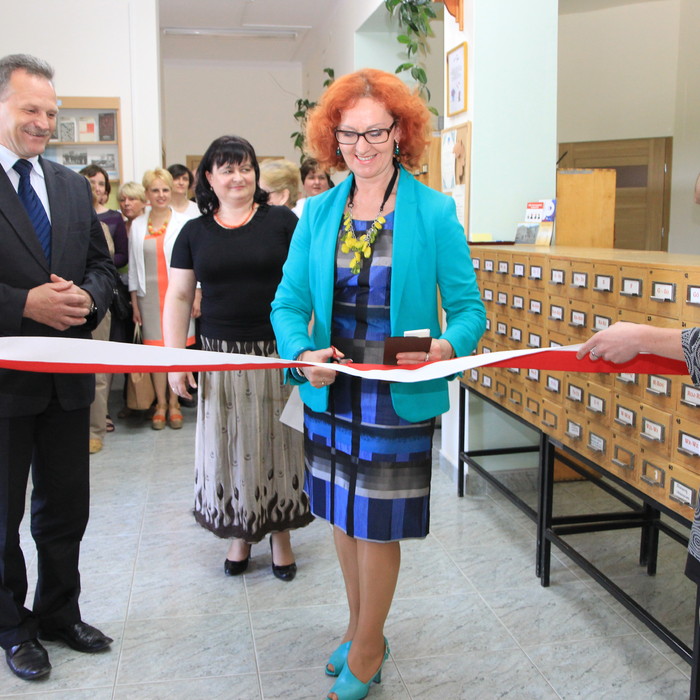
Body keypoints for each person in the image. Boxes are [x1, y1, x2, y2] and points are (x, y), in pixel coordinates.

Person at [271, 68, 485, 700]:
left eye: (376, 132)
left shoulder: (434, 210)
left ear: (401, 133)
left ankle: (368, 648)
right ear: (332, 138)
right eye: (350, 134)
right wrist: (300, 353)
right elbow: (287, 302)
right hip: (331, 387)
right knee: (341, 514)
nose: (362, 146)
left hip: (396, 389)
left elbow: (470, 310)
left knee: (377, 525)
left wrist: (445, 345)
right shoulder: (316, 213)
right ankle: (360, 625)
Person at [0, 53, 115, 681]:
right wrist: (24, 303)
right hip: (4, 387)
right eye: (29, 111)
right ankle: (13, 626)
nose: (43, 123)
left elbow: (104, 269)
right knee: (3, 516)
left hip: (67, 381)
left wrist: (88, 298)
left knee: (65, 507)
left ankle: (57, 612)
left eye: (51, 112)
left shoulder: (71, 187)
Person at [165, 135, 313, 582]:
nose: (238, 177)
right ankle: (240, 533)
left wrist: (306, 348)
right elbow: (178, 295)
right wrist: (175, 359)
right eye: (227, 169)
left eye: (245, 167)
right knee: (229, 446)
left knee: (281, 443)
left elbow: (306, 287)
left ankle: (281, 533)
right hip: (219, 356)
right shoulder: (193, 232)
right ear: (208, 177)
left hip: (277, 352)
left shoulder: (283, 221)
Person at [128, 168, 193, 430]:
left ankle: (175, 403)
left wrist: (197, 294)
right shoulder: (137, 225)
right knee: (155, 351)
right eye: (155, 190)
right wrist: (134, 301)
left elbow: (191, 263)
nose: (161, 194)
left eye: (165, 189)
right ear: (146, 194)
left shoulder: (183, 222)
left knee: (176, 348)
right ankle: (161, 405)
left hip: (177, 294)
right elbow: (133, 266)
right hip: (148, 296)